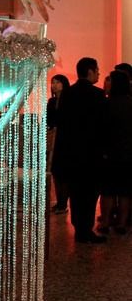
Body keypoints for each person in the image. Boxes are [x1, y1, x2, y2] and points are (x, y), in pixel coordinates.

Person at [55, 58, 107, 243]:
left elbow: (62, 122)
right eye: (97, 70)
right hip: (92, 153)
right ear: (90, 71)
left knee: (76, 193)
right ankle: (86, 228)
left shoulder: (68, 94)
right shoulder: (98, 95)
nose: (99, 73)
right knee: (90, 193)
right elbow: (103, 126)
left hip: (71, 152)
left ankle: (79, 228)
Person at [99, 70, 132, 235]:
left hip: (109, 153)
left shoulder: (106, 104)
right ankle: (122, 223)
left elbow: (101, 130)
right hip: (128, 153)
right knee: (125, 190)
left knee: (108, 190)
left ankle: (105, 221)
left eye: (110, 80)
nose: (107, 83)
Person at [47, 74, 70, 213]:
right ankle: (60, 202)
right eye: (52, 82)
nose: (54, 85)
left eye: (57, 82)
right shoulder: (51, 101)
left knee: (64, 172)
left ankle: (63, 203)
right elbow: (48, 119)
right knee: (55, 171)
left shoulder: (69, 101)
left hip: (65, 139)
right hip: (54, 139)